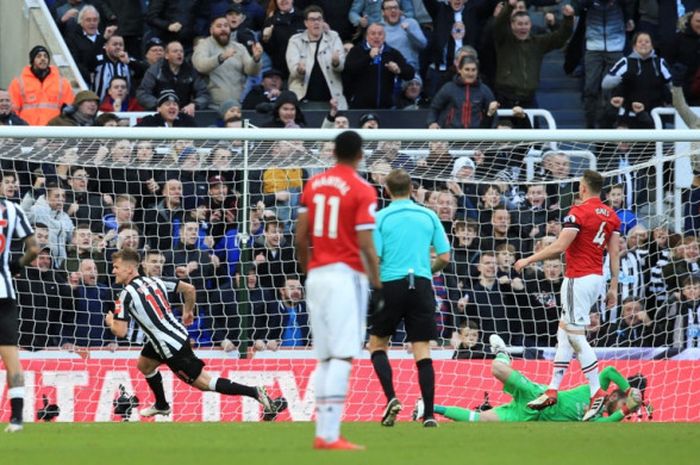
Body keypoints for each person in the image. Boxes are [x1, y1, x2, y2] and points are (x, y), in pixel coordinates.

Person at [105, 248, 286, 420]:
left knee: (205, 383)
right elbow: (189, 289)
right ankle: (161, 404)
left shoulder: (125, 294)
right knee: (144, 365)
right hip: (174, 336)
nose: (113, 271)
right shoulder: (156, 281)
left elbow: (120, 331)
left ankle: (254, 392)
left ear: (129, 269)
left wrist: (110, 322)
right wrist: (187, 311)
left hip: (170, 347)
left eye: (116, 267)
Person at [295, 130, 381, 450]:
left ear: (333, 153)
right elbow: (365, 243)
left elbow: (299, 236)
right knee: (344, 355)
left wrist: (309, 269)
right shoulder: (363, 189)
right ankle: (329, 434)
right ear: (360, 155)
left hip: (317, 275)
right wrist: (377, 281)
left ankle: (324, 431)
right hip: (347, 276)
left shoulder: (312, 184)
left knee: (325, 357)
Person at [514, 170, 621, 421]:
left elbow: (560, 246)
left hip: (577, 279)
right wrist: (614, 286)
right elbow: (614, 253)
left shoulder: (578, 212)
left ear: (583, 188)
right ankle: (552, 389)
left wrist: (529, 259)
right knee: (564, 331)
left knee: (574, 336)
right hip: (597, 278)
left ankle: (596, 391)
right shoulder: (611, 216)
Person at [368, 168, 451, 428]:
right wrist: (428, 271)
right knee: (422, 350)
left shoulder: (380, 218)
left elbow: (377, 257)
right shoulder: (429, 215)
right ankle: (428, 414)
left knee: (377, 345)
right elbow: (445, 257)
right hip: (422, 285)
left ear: (387, 191)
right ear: (413, 189)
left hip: (391, 284)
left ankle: (392, 398)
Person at [413, 334, 643, 422]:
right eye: (623, 404)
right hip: (538, 396)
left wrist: (625, 411)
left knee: (479, 421)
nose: (620, 410)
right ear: (616, 394)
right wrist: (630, 388)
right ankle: (503, 353)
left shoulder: (598, 418)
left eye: (625, 410)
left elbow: (605, 424)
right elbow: (609, 371)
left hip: (528, 416)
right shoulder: (598, 392)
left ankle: (429, 407)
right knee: (497, 369)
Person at [0, 196, 39, 432]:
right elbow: (34, 248)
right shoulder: (12, 209)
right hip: (4, 294)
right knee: (10, 357)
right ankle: (16, 419)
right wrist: (16, 265)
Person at [192, 15, 263, 110]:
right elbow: (200, 65)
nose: (223, 29)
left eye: (226, 26)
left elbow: (251, 71)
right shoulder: (204, 45)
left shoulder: (239, 47)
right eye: (219, 26)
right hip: (212, 106)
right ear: (211, 30)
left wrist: (256, 59)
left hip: (237, 105)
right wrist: (221, 57)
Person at [7, 45, 75, 126]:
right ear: (32, 61)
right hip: (27, 131)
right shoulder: (18, 82)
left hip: (53, 130)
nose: (43, 59)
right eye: (39, 56)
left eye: (45, 56)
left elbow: (68, 109)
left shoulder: (63, 83)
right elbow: (13, 110)